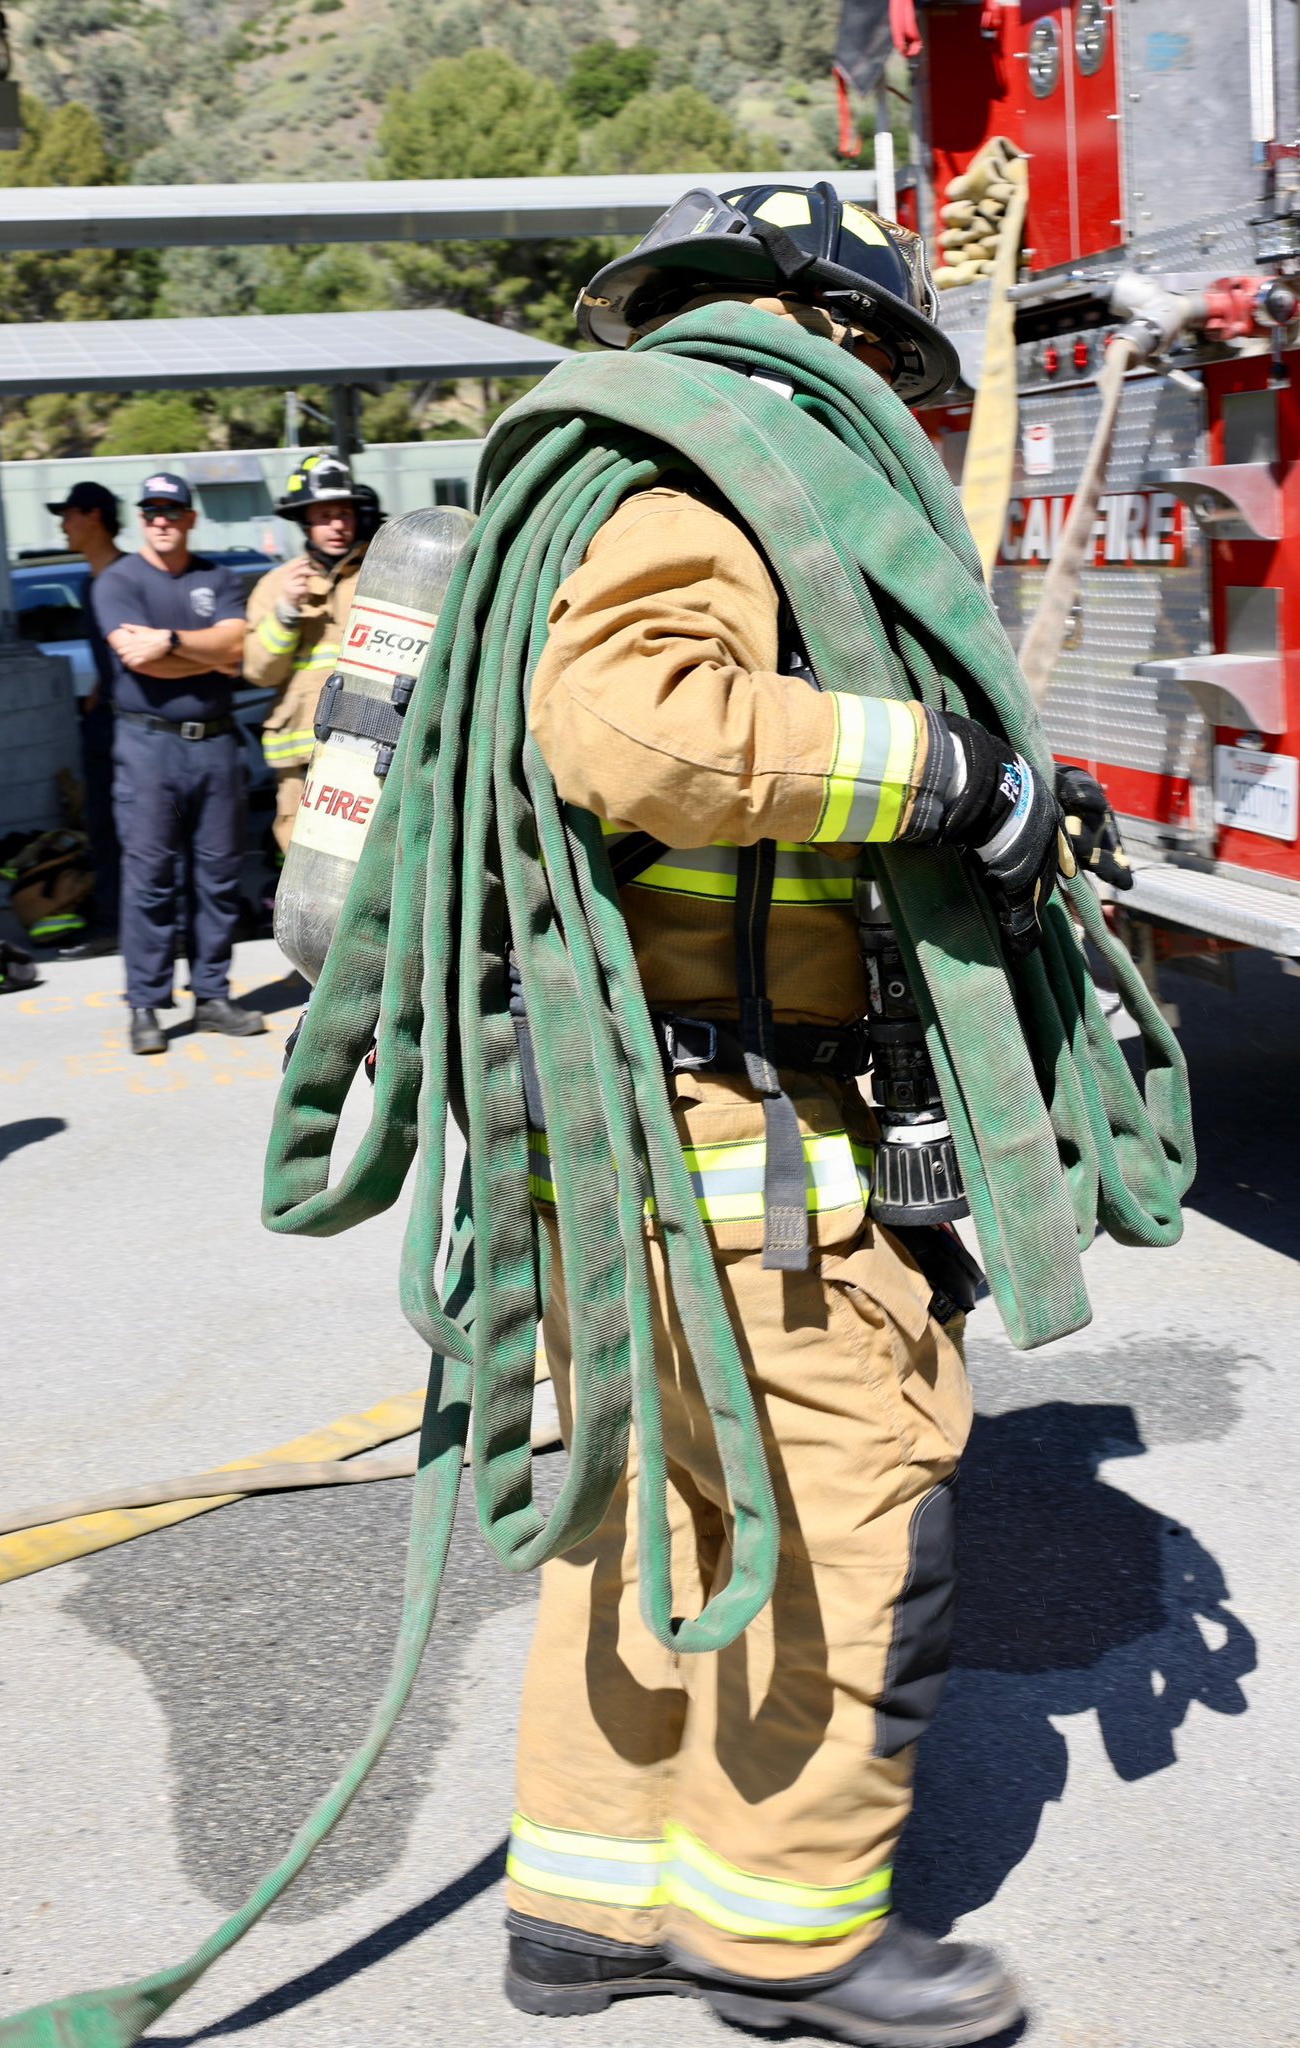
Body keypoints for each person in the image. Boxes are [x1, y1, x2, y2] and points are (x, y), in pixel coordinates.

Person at [499, 184, 1073, 2043]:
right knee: (849, 1510)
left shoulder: (620, 483)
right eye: (871, 358)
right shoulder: (709, 487)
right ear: (816, 326)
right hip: (753, 1157)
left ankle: (588, 1905)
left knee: (649, 1512)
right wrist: (938, 769)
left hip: (638, 1146)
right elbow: (634, 728)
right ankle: (788, 1930)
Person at [92, 472, 266, 1056]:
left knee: (218, 877)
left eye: (172, 510)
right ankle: (146, 1003)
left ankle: (213, 995)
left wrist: (168, 641)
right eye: (151, 510)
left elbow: (237, 648)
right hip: (148, 749)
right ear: (141, 519)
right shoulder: (118, 581)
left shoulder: (218, 578)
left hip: (214, 747)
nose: (161, 519)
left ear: (191, 518)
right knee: (151, 880)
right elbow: (136, 660)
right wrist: (202, 650)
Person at [244, 452, 369, 857]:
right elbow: (259, 672)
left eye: (345, 513)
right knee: (303, 863)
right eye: (325, 514)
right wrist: (286, 610)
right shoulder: (277, 585)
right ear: (305, 521)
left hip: (370, 750)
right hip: (300, 762)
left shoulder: (384, 574)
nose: (337, 524)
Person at [47, 481, 123, 952]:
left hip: (132, 729)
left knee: (137, 832)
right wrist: (98, 691)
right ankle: (112, 920)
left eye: (69, 514)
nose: (62, 525)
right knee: (101, 824)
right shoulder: (89, 582)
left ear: (93, 516)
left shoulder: (130, 576)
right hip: (102, 724)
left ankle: (128, 925)